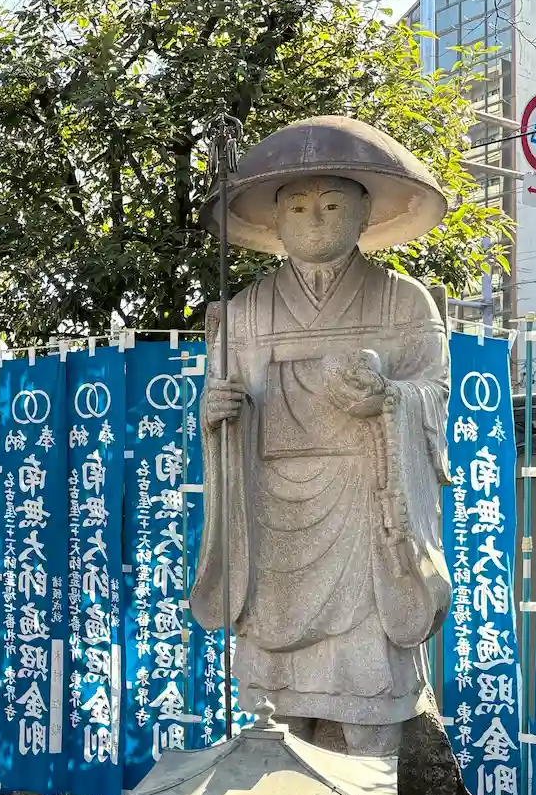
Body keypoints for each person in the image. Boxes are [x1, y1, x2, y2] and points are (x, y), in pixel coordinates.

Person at [190, 116, 452, 758]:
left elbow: (433, 391)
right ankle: (283, 781)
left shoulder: (403, 302)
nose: (315, 220)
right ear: (276, 222)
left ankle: (374, 788)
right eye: (298, 208)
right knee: (279, 693)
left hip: (364, 507)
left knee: (367, 673)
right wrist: (214, 412)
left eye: (333, 205)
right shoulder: (244, 311)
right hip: (271, 512)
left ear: (364, 215)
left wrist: (389, 398)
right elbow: (223, 403)